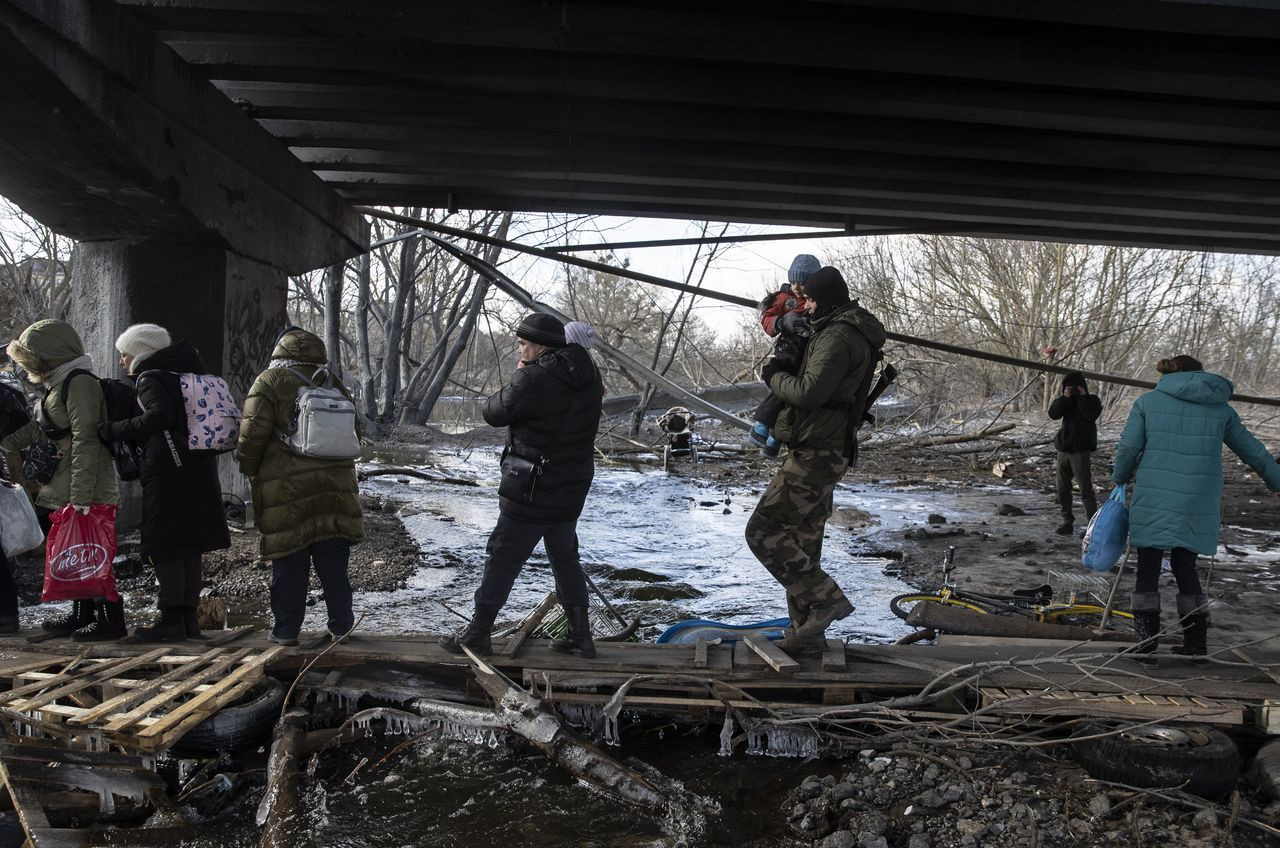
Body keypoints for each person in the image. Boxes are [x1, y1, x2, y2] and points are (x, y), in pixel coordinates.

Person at [443, 313, 604, 658]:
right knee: (564, 557)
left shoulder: (533, 377)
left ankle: (478, 633)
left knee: (503, 556)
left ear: (540, 345)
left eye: (523, 344)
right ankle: (581, 636)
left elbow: (494, 412)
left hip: (532, 486)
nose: (520, 349)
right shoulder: (590, 374)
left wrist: (519, 374)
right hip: (572, 486)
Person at [745, 267, 886, 654]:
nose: (804, 305)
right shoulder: (844, 328)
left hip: (817, 450)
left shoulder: (839, 335)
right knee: (802, 542)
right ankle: (807, 633)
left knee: (762, 531)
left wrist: (773, 375)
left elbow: (808, 392)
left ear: (825, 298)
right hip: (825, 446)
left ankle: (826, 601)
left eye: (810, 299)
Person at [1112, 354, 1280, 663]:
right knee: (1185, 567)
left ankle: (1147, 645)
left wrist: (1119, 477)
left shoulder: (1148, 403)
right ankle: (1195, 643)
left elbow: (1129, 448)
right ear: (1200, 375)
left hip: (1156, 495)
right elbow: (1252, 449)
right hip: (1198, 499)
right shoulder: (1220, 409)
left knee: (1148, 568)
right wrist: (1276, 480)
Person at [98, 324, 230, 642]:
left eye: (125, 353)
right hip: (198, 467)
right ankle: (188, 621)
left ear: (141, 351)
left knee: (166, 544)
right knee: (190, 545)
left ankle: (171, 620)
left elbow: (159, 416)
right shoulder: (184, 374)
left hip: (168, 473)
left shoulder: (150, 377)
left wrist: (111, 429)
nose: (121, 360)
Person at [236, 327, 363, 646]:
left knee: (290, 560)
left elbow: (252, 435)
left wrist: (250, 469)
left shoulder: (269, 381)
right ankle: (341, 627)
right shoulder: (333, 383)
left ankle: (285, 631)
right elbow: (355, 433)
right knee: (333, 562)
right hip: (336, 487)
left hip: (287, 488)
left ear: (281, 353)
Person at [1, 320, 123, 640]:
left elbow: (86, 439)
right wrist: (10, 443)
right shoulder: (58, 382)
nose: (29, 364)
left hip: (87, 487)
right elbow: (46, 427)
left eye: (33, 356)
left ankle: (111, 619)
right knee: (74, 550)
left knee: (93, 550)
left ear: (51, 353)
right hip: (66, 484)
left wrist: (81, 495)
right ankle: (80, 613)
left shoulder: (79, 382)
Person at [750, 254, 821, 458]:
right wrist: (782, 323)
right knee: (782, 387)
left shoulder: (818, 301)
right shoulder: (784, 298)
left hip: (807, 354)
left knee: (794, 398)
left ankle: (775, 440)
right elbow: (767, 319)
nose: (797, 287)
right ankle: (762, 425)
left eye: (803, 282)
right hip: (789, 349)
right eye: (793, 282)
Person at [1048, 371, 1102, 535]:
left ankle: (1092, 526)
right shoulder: (1066, 401)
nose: (1073, 390)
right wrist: (1065, 397)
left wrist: (1082, 397)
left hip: (1081, 450)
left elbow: (1090, 415)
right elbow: (1053, 414)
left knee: (1085, 488)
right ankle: (1067, 521)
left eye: (1075, 387)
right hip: (1064, 449)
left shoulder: (1092, 400)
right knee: (1062, 488)